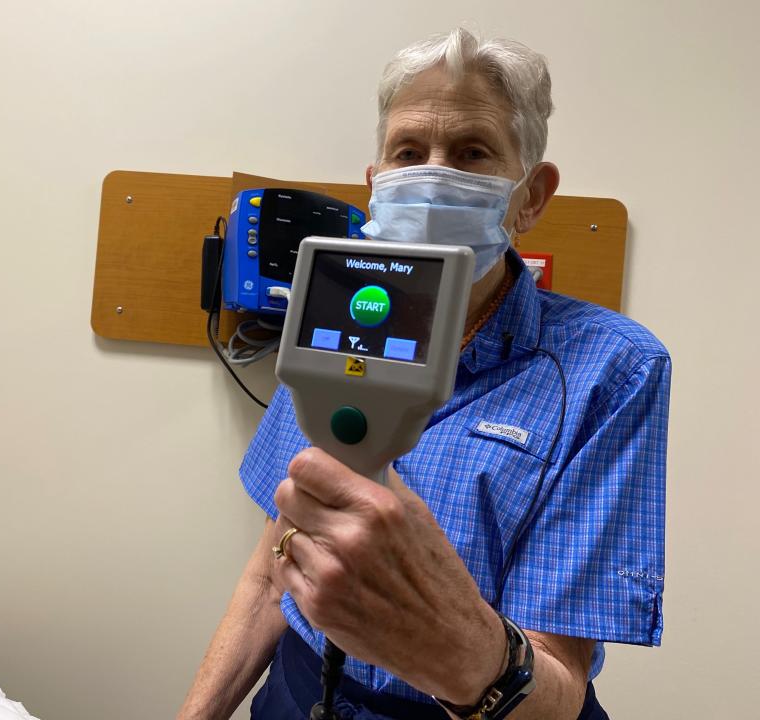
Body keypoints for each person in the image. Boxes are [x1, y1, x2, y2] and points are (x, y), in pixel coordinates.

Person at [179, 28, 670, 720]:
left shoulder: (609, 371)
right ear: (378, 187)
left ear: (530, 195)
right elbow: (270, 574)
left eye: (472, 152)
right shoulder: (337, 310)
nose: (435, 174)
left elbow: (558, 689)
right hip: (300, 694)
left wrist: (451, 639)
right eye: (410, 153)